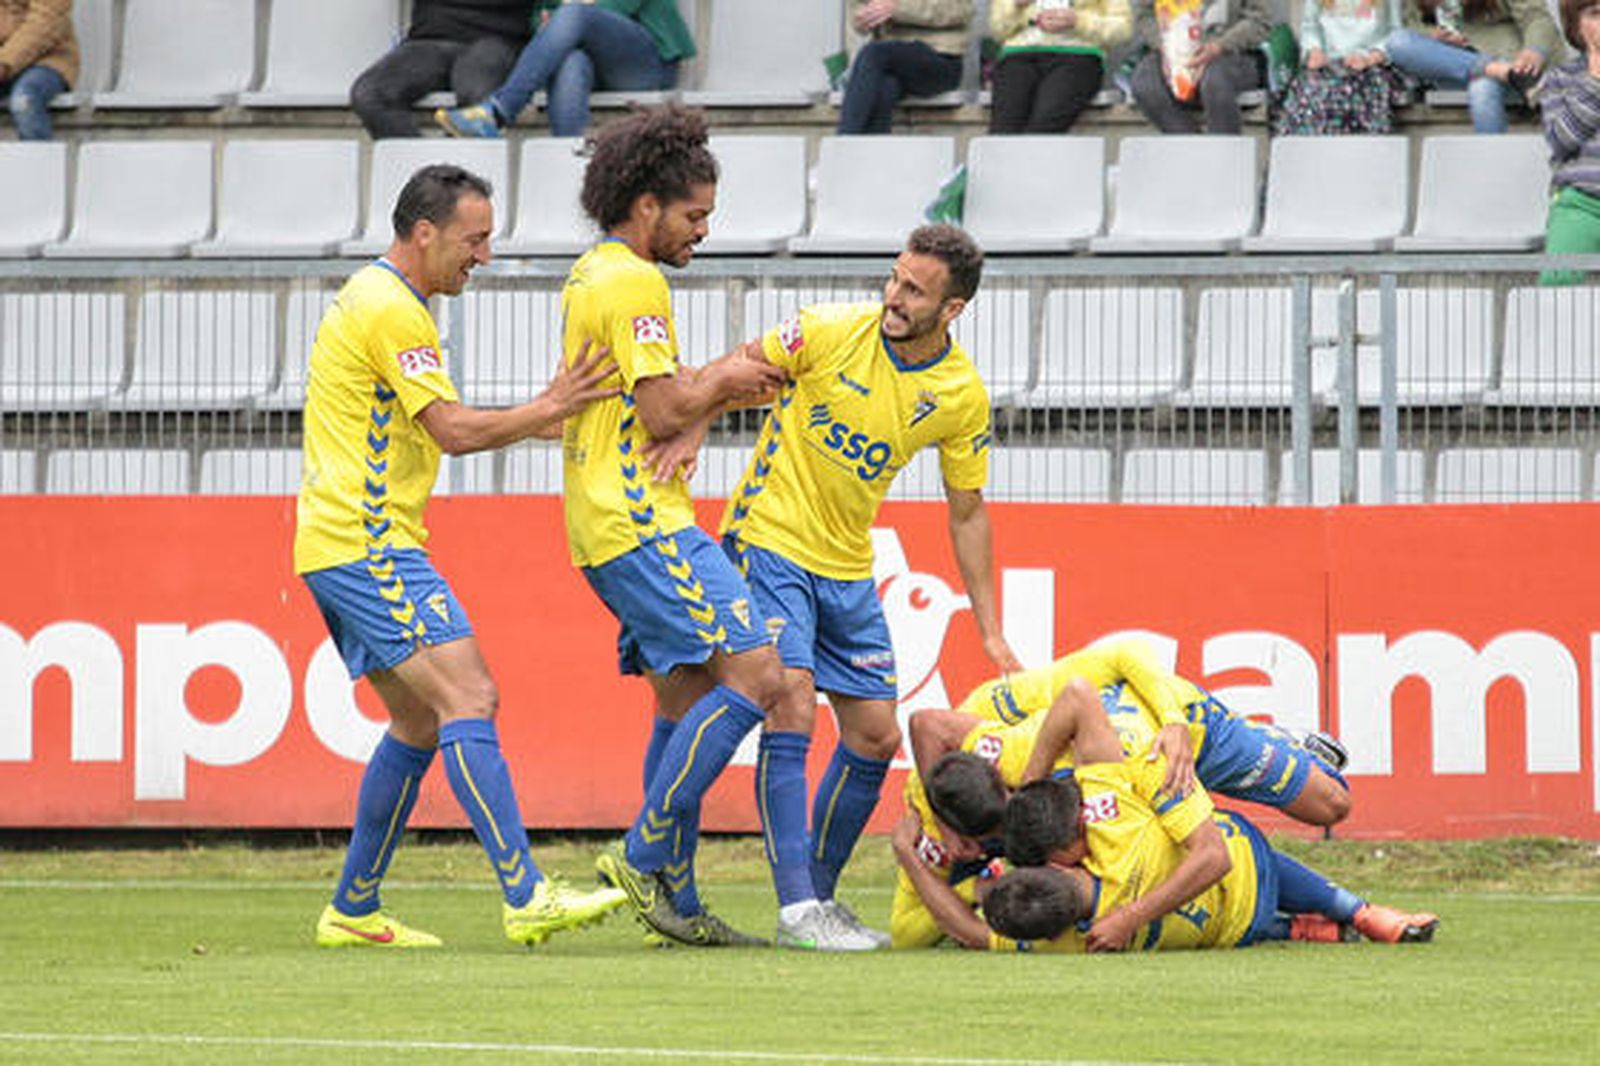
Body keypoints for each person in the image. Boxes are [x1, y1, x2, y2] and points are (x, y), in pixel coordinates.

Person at [299, 163, 628, 949]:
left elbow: (434, 424)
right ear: (424, 233)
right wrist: (548, 405)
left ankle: (352, 907)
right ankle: (526, 894)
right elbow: (450, 430)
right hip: (365, 541)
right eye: (474, 239)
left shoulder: (380, 301)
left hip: (339, 542)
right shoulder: (393, 310)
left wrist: (548, 418)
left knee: (418, 721)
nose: (483, 255)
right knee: (470, 697)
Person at [555, 105, 857, 950]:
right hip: (643, 520)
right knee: (761, 675)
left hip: (602, 519)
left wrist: (704, 391)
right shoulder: (634, 284)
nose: (702, 233)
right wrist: (725, 379)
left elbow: (621, 398)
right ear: (647, 205)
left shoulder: (591, 275)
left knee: (685, 697)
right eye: (694, 217)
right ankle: (641, 853)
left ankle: (675, 904)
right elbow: (660, 408)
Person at [705, 224, 1021, 950]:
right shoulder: (826, 330)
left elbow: (967, 509)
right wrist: (684, 426)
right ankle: (795, 908)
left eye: (915, 289)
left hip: (847, 564)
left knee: (876, 736)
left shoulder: (959, 394)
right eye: (894, 279)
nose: (894, 296)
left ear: (953, 309)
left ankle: (817, 895)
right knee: (790, 705)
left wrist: (990, 626)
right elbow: (731, 369)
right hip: (768, 539)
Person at [889, 638, 1355, 947]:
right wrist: (951, 849)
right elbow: (909, 932)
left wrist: (1172, 720)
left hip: (1179, 733)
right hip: (1120, 759)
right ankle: (1287, 920)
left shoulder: (1015, 743)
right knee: (1173, 842)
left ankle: (1281, 740)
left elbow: (1118, 659)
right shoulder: (937, 818)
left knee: (1332, 804)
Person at [983, 775, 1440, 951]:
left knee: (1229, 926)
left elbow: (973, 935)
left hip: (1235, 930)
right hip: (1245, 860)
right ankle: (1359, 911)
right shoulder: (1119, 819)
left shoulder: (1075, 944)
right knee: (1269, 869)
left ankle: (1303, 929)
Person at [435, 0, 694, 138]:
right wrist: (549, 21)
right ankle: (570, 158)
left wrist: (564, 17)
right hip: (591, 59)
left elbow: (616, 7)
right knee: (570, 61)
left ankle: (500, 110)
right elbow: (540, 13)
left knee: (575, 15)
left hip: (646, 63)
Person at [350, 0, 537, 139]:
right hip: (429, 39)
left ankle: (453, 181)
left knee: (476, 95)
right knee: (369, 94)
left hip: (498, 39)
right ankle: (424, 178)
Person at [1384, 0, 1565, 134]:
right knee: (1397, 42)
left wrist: (1534, 51)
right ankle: (1499, 70)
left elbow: (1537, 18)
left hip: (1511, 61)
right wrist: (1432, 35)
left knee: (1482, 89)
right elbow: (1411, 25)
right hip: (1452, 64)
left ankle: (1492, 170)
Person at [987, 0, 1134, 134]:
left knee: (1044, 126)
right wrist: (1015, 6)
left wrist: (1078, 22)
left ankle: (1030, 160)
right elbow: (998, 31)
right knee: (1003, 128)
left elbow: (1123, 30)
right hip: (1018, 55)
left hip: (1077, 56)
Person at [1128, 0, 1272, 134]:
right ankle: (1192, 149)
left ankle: (1224, 155)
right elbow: (1144, 16)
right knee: (1144, 83)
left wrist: (1219, 47)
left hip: (1234, 52)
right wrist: (1166, 47)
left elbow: (1259, 22)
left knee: (1215, 82)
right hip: (1173, 47)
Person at [838, 0, 975, 134]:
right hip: (891, 63)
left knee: (873, 53)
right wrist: (863, 18)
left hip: (941, 58)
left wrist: (898, 8)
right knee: (885, 88)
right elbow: (857, 15)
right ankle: (869, 154)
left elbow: (961, 10)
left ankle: (841, 148)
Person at [1276, 0, 1408, 135]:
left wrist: (1370, 58)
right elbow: (1311, 28)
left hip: (1371, 65)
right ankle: (1311, 151)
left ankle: (1360, 149)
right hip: (1329, 64)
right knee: (1307, 90)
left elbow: (1395, 34)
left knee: (1358, 90)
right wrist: (1314, 51)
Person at [1537, 0, 1600, 284]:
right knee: (1556, 287)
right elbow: (1562, 140)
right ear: (1576, 25)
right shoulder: (1560, 79)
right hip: (1580, 202)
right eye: (1596, 13)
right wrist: (1595, 80)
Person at [1, 0, 77, 142]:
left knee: (25, 98)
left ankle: (38, 161)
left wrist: (5, 62)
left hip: (48, 59)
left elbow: (45, 22)